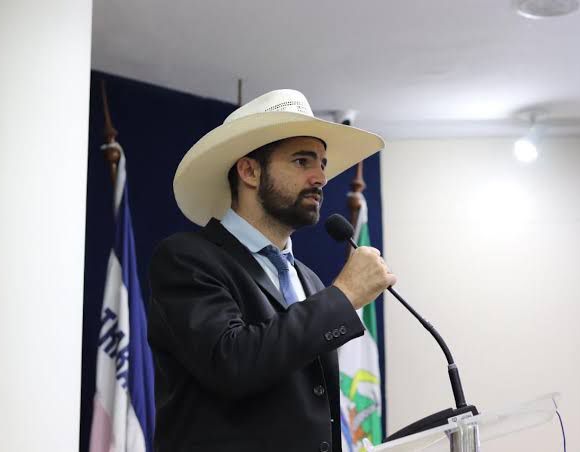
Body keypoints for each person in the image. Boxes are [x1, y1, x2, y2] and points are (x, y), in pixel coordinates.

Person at [148, 89, 396, 452]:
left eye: (322, 163)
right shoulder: (186, 259)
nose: (321, 177)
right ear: (249, 171)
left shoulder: (309, 280)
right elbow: (231, 363)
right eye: (302, 161)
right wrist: (343, 296)